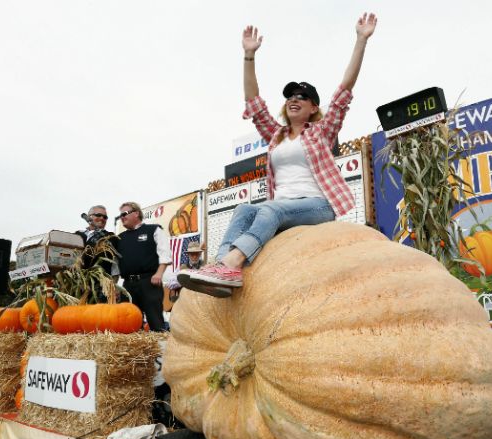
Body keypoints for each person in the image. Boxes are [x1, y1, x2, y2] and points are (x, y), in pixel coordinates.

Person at [179, 13, 377, 296]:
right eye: (290, 96)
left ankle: (232, 262)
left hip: (317, 207)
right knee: (244, 209)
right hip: (282, 208)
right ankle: (221, 270)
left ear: (313, 109)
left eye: (302, 96)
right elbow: (254, 102)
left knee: (269, 208)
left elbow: (343, 92)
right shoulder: (276, 136)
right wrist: (249, 56)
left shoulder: (322, 131)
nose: (294, 99)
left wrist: (360, 40)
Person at [114, 202, 171, 332]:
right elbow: (116, 264)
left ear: (136, 213)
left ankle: (159, 351)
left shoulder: (153, 230)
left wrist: (159, 274)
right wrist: (115, 285)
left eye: (124, 214)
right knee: (128, 325)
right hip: (127, 286)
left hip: (150, 282)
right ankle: (131, 352)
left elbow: (165, 253)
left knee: (156, 323)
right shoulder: (120, 238)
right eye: (120, 215)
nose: (122, 217)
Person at [75, 205, 117, 275]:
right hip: (75, 281)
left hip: (98, 282)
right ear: (89, 217)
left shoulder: (110, 237)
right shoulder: (77, 234)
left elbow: (115, 269)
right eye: (98, 215)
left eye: (105, 217)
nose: (102, 218)